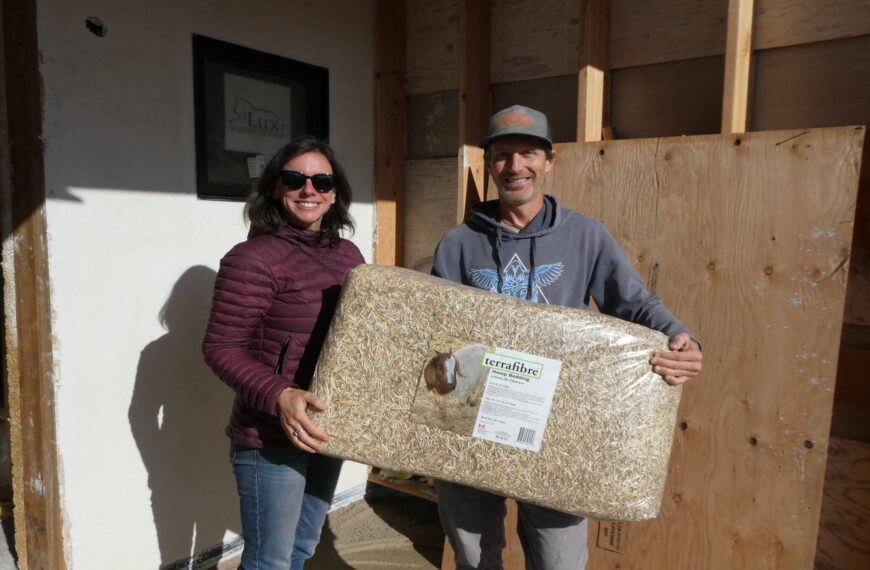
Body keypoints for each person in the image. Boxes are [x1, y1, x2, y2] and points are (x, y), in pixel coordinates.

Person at [431, 105, 703, 570]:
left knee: (559, 560)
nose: (515, 167)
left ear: (549, 161)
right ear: (489, 164)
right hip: (472, 420)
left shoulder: (586, 237)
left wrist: (680, 337)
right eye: (501, 155)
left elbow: (633, 303)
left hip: (559, 425)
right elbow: (436, 330)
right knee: (475, 558)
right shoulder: (458, 242)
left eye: (528, 153)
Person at [202, 137, 364, 570]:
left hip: (327, 427)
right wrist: (280, 394)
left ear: (334, 192)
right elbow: (220, 347)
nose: (308, 189)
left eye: (321, 180)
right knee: (270, 561)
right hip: (271, 436)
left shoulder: (347, 254)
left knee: (303, 547)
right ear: (276, 187)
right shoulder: (252, 259)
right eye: (295, 179)